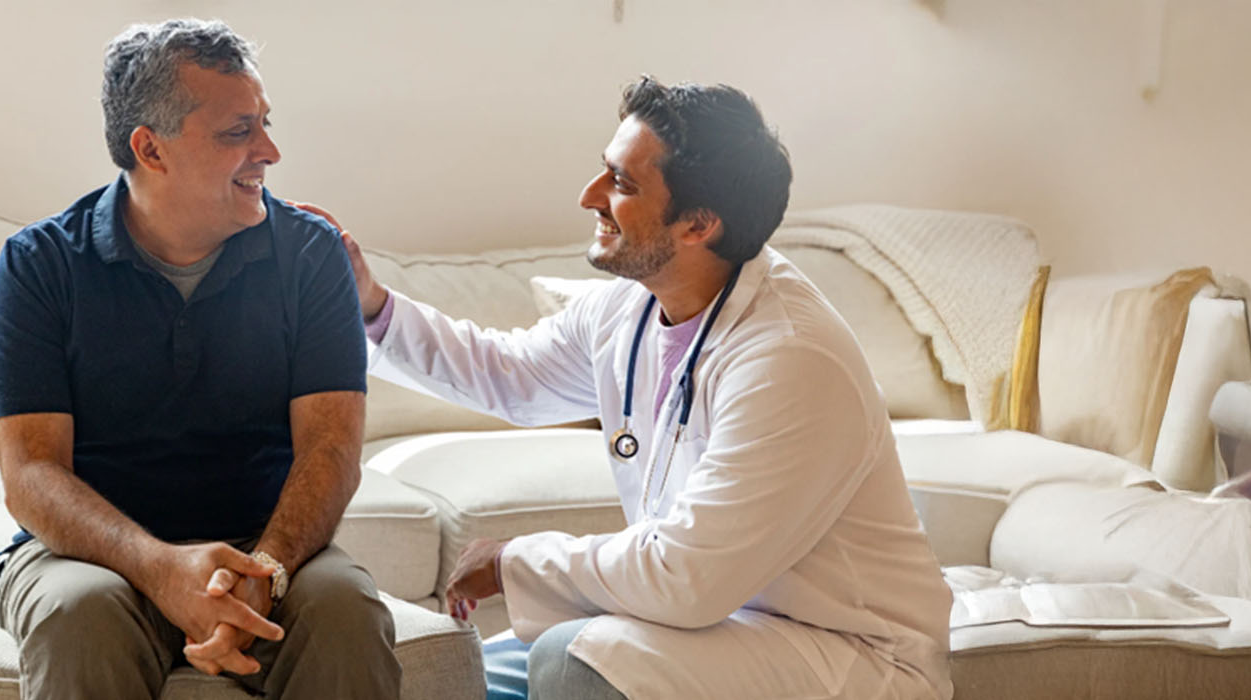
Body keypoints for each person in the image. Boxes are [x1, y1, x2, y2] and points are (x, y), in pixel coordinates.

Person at [316, 77, 953, 699]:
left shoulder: (789, 357)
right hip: (718, 625)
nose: (589, 196)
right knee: (452, 669)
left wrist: (515, 559)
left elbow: (686, 575)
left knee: (576, 663)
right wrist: (368, 303)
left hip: (846, 651)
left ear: (697, 225)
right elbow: (509, 373)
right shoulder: (633, 308)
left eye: (621, 182)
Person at [0, 18, 399, 699]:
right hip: (96, 559)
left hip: (268, 550)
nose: (269, 150)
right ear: (151, 148)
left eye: (264, 123)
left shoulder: (312, 255)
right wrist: (162, 569)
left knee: (346, 612)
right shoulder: (40, 265)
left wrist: (264, 573)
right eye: (238, 132)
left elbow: (330, 451)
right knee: (77, 617)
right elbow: (30, 474)